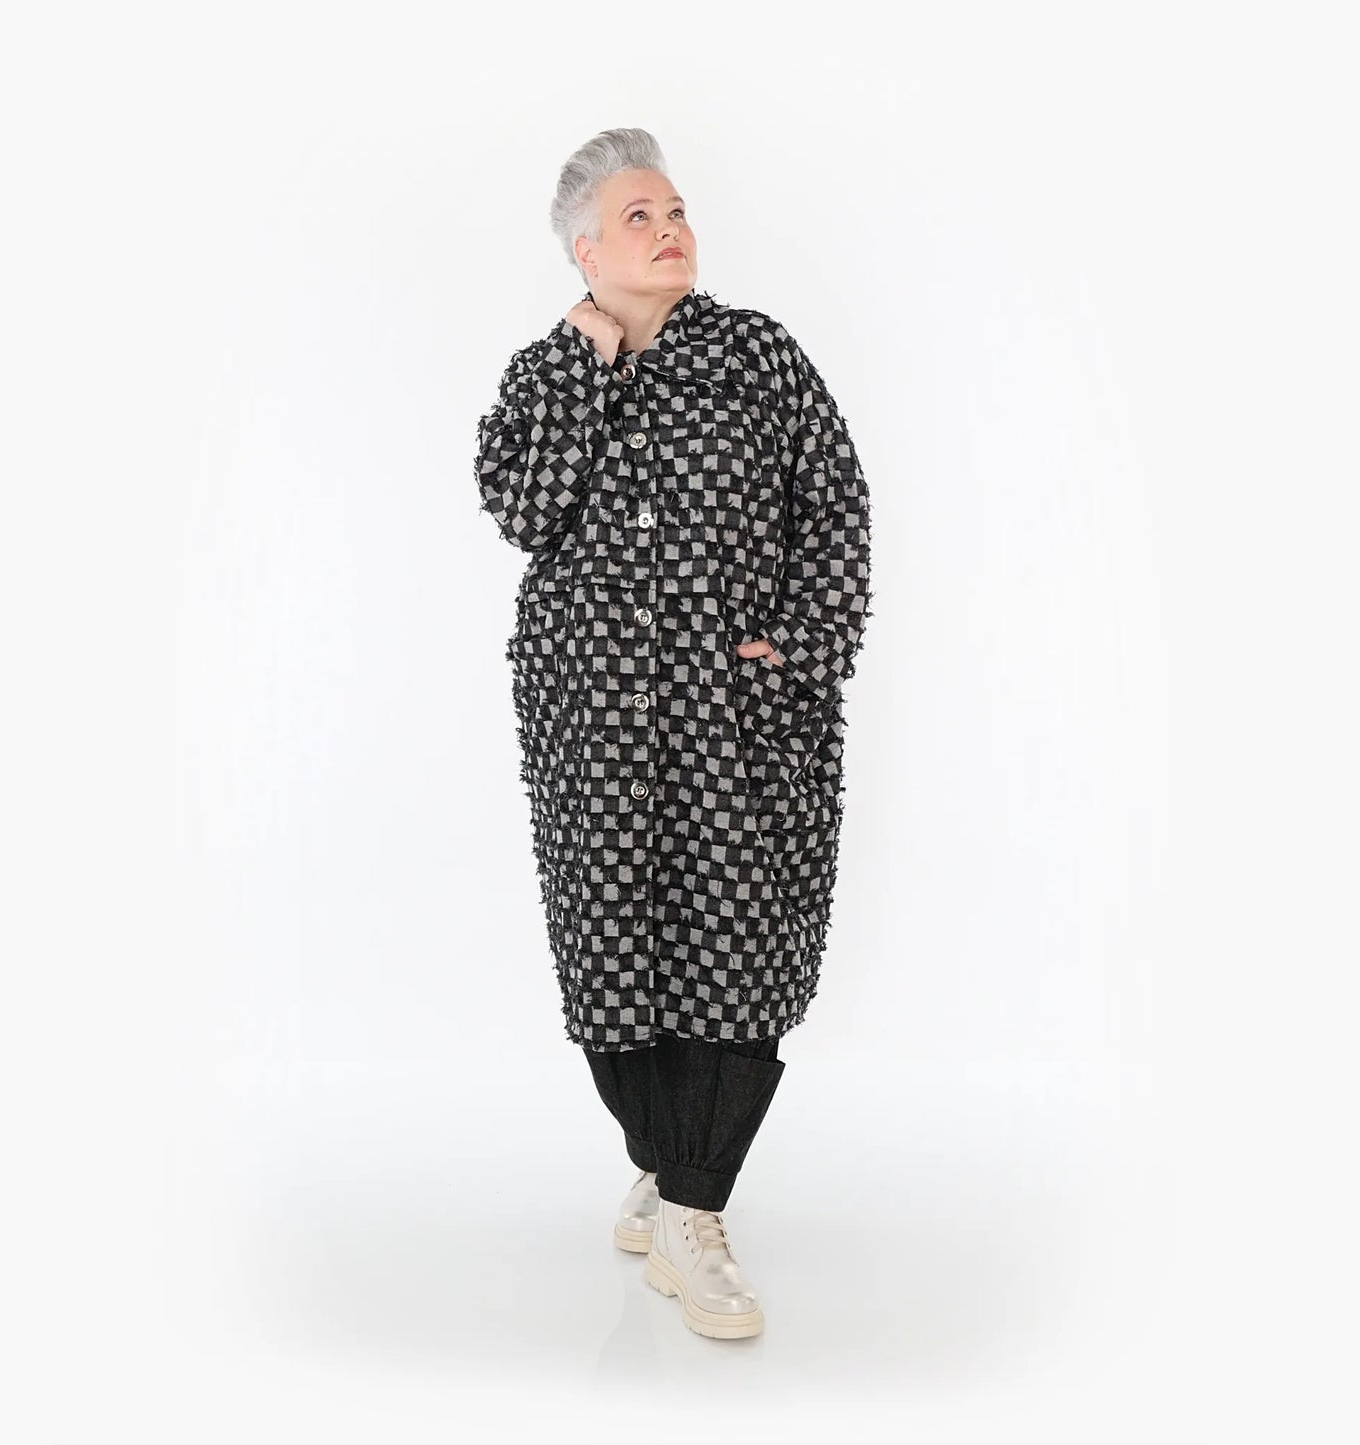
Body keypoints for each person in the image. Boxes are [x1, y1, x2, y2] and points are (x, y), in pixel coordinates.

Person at [473, 128, 874, 1339]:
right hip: (592, 720)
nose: (669, 230)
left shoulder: (757, 357)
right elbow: (522, 508)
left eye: (676, 210)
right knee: (612, 949)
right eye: (638, 217)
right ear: (585, 251)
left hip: (738, 716)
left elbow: (834, 506)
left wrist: (797, 646)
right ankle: (665, 1158)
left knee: (739, 941)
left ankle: (693, 1207)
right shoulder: (547, 375)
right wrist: (582, 363)